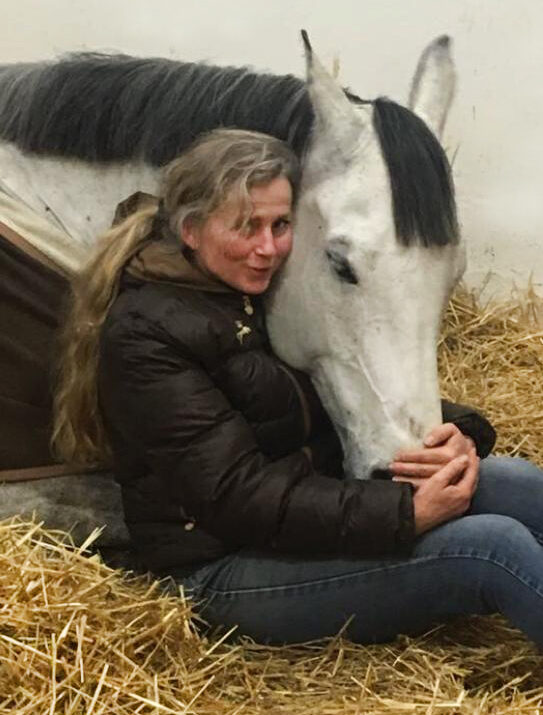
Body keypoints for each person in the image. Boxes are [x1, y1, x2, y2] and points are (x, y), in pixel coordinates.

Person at [54, 128, 543, 648]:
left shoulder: (256, 289)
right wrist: (406, 515)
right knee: (492, 549)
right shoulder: (146, 333)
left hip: (310, 516)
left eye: (281, 224)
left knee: (511, 480)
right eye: (246, 226)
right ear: (192, 230)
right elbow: (235, 497)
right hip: (220, 571)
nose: (267, 248)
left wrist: (461, 434)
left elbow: (348, 392)